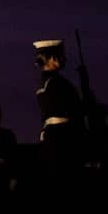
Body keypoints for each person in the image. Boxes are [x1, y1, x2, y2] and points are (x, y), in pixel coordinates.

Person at [33, 39, 86, 201]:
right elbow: (76, 109)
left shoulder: (46, 82)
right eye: (60, 55)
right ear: (52, 58)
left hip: (51, 137)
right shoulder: (57, 82)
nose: (64, 59)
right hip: (63, 139)